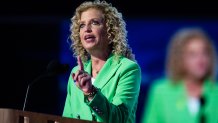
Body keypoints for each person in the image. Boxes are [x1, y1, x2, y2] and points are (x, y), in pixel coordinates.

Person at [62, 0, 141, 123]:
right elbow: (66, 118)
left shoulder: (128, 69)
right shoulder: (76, 73)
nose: (87, 29)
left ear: (110, 31)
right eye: (82, 25)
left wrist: (90, 92)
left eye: (94, 23)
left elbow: (118, 119)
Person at [141, 28, 218, 123]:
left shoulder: (216, 92)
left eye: (205, 53)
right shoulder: (161, 91)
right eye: (193, 55)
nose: (201, 60)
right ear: (180, 59)